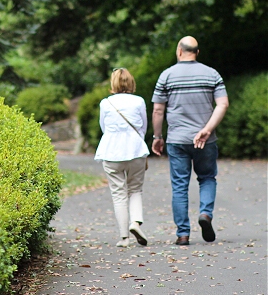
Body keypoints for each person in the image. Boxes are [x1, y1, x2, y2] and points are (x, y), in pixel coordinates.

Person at [151, 36, 229, 246]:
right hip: (206, 140)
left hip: (177, 140)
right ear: (197, 52)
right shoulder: (212, 74)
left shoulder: (167, 75)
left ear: (179, 51)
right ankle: (205, 213)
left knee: (179, 186)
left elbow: (158, 109)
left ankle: (183, 234)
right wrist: (207, 129)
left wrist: (158, 137)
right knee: (207, 178)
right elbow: (223, 104)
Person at [95, 68, 150, 247]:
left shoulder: (105, 103)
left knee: (118, 194)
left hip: (112, 152)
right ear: (131, 82)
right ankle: (135, 223)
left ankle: (124, 238)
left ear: (113, 83)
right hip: (135, 150)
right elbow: (143, 128)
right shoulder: (139, 101)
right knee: (135, 189)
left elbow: (104, 128)